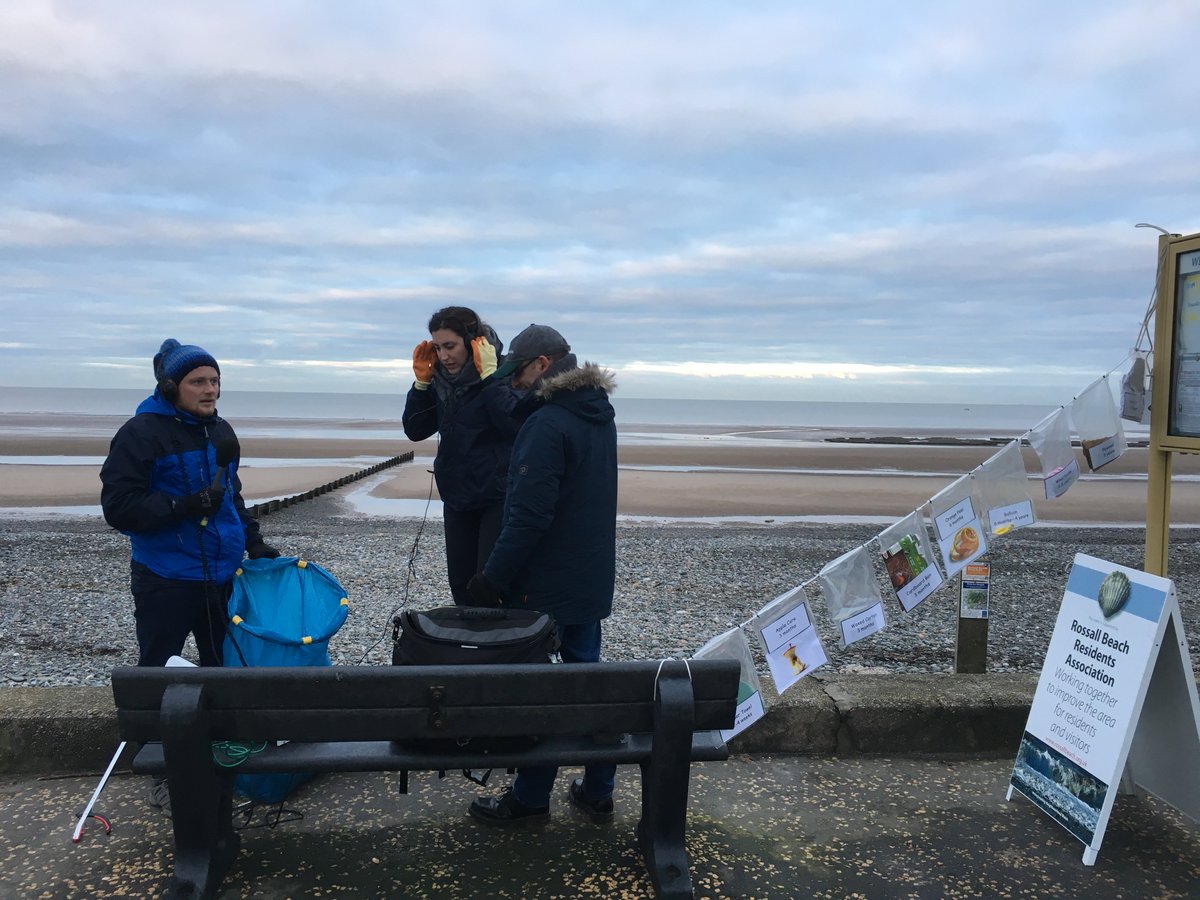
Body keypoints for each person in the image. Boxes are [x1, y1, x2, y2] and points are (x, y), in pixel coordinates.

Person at [465, 324, 619, 826]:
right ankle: (598, 790)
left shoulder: (547, 424)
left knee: (543, 695)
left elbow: (529, 517)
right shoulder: (598, 415)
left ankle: (530, 799)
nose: (513, 383)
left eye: (519, 372)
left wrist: (492, 577)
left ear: (544, 366)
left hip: (545, 585)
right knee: (587, 682)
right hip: (590, 576)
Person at [100, 339, 280, 668]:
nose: (209, 390)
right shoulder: (139, 434)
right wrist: (184, 505)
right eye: (197, 382)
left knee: (227, 669)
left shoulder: (221, 431)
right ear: (170, 388)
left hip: (223, 578)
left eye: (214, 381)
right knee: (158, 670)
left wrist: (254, 542)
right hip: (165, 579)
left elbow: (231, 497)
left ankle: (219, 722)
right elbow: (119, 507)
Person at [402, 306, 521, 605]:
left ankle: (500, 649)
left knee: (489, 586)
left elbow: (512, 425)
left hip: (495, 496)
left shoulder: (504, 375)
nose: (443, 356)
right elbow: (415, 429)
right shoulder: (441, 381)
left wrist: (490, 377)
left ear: (472, 342)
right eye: (437, 347)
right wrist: (421, 384)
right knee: (461, 587)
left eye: (450, 346)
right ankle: (468, 650)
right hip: (456, 497)